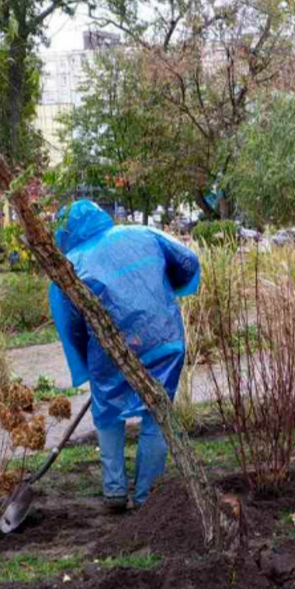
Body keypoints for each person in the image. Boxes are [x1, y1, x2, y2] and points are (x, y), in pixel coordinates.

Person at [50, 200, 201, 511]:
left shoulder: (71, 265)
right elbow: (187, 262)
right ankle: (148, 495)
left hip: (110, 348)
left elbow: (71, 326)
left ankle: (115, 490)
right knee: (156, 412)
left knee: (107, 412)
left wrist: (91, 363)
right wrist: (160, 287)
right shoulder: (143, 233)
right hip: (164, 338)